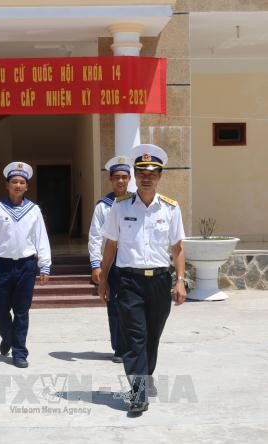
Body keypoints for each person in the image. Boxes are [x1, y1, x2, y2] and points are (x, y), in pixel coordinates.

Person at [98, 144, 187, 414]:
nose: (146, 177)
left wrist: (180, 280)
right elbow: (111, 245)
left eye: (152, 173)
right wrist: (103, 279)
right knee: (135, 337)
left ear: (160, 176)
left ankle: (144, 379)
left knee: (152, 336)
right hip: (129, 281)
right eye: (142, 173)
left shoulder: (170, 208)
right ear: (135, 176)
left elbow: (178, 248)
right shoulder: (120, 206)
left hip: (160, 281)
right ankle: (138, 393)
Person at [0, 161, 51, 368]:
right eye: (14, 182)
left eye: (21, 182)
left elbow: (41, 238)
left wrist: (44, 265)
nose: (18, 185)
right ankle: (8, 337)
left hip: (26, 266)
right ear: (7, 185)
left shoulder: (33, 210)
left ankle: (19, 352)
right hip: (3, 266)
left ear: (27, 186)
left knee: (21, 310)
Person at [88, 155, 132, 364]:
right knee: (114, 305)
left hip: (133, 262)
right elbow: (96, 237)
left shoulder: (137, 202)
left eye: (124, 177)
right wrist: (96, 265)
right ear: (111, 180)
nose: (121, 181)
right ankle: (119, 347)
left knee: (133, 305)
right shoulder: (103, 206)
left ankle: (132, 344)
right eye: (117, 178)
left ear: (130, 178)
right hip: (112, 263)